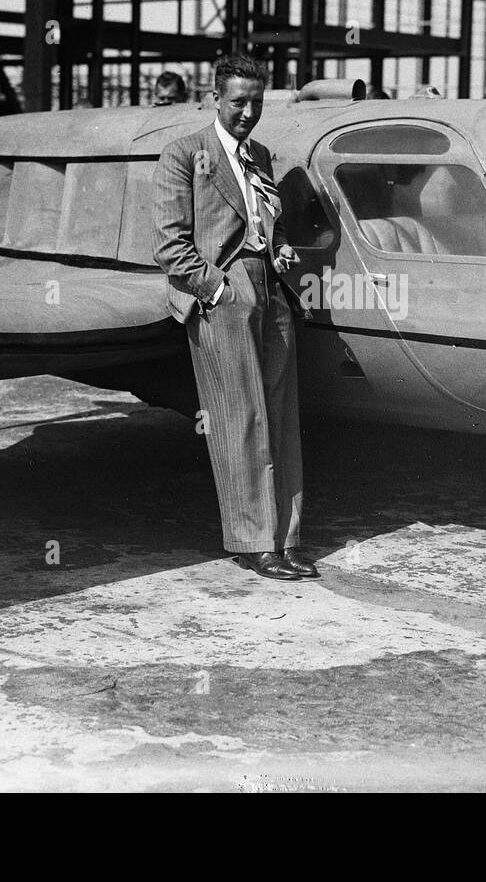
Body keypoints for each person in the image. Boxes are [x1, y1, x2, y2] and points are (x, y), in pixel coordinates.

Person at [151, 53, 311, 581]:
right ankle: (251, 543)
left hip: (271, 289)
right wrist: (217, 289)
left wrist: (281, 247)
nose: (248, 112)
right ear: (215, 98)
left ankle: (284, 540)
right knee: (241, 419)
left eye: (257, 102)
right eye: (238, 101)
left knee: (280, 417)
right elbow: (171, 245)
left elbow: (268, 221)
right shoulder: (183, 154)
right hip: (224, 291)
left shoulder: (259, 154)